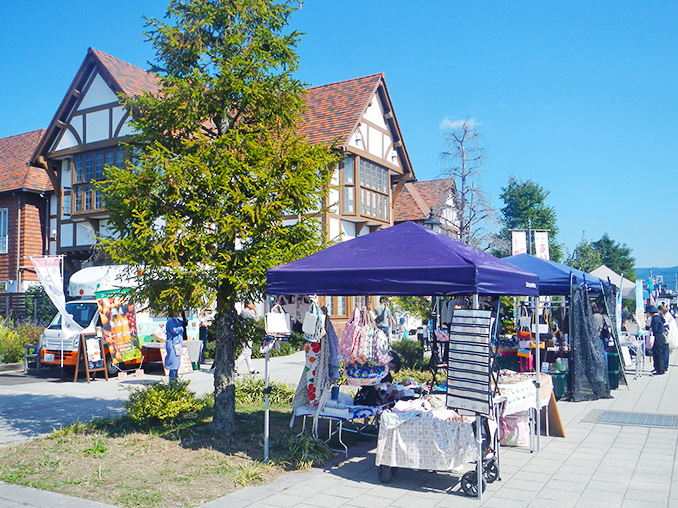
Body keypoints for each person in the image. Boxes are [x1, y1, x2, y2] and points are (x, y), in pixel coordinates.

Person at [236, 302, 259, 375]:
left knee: (248, 353)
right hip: (246, 334)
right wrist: (255, 310)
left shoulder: (244, 312)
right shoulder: (247, 312)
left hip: (245, 334)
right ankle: (234, 367)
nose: (253, 306)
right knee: (245, 352)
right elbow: (257, 319)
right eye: (252, 304)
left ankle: (251, 368)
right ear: (248, 305)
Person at [646, 305, 668, 375]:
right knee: (660, 354)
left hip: (657, 337)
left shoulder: (654, 319)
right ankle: (660, 368)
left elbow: (654, 329)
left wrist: (649, 329)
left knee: (657, 354)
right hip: (661, 337)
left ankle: (659, 370)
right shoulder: (659, 317)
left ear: (650, 312)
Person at [165, 312, 185, 382]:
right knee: (173, 362)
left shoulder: (177, 320)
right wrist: (181, 327)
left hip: (177, 344)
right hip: (173, 343)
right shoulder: (170, 320)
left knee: (177, 362)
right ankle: (172, 380)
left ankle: (175, 378)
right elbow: (174, 330)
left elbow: (182, 322)